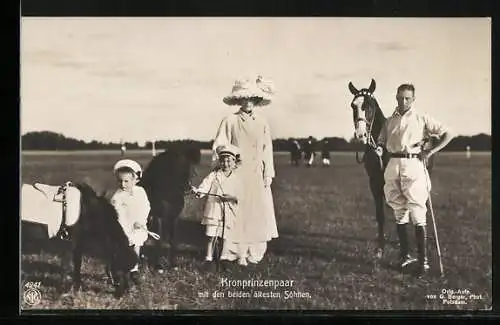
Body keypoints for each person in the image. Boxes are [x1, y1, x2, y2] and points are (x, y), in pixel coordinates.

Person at [376, 83, 453, 276]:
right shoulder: (389, 121)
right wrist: (378, 148)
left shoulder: (421, 117)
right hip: (392, 165)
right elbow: (381, 142)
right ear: (396, 97)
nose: (403, 101)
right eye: (400, 98)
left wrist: (430, 151)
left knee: (417, 211)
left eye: (407, 98)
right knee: (398, 209)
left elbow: (448, 133)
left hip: (414, 165)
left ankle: (423, 263)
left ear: (413, 99)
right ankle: (405, 256)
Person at [211, 76, 278, 265]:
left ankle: (253, 252)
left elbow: (267, 149)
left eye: (251, 99)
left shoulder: (262, 122)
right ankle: (234, 251)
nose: (248, 102)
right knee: (237, 211)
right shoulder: (230, 121)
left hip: (256, 172)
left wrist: (268, 173)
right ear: (238, 100)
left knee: (256, 211)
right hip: (237, 173)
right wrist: (227, 158)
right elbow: (219, 144)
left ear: (256, 101)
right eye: (244, 99)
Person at [191, 144, 243, 266]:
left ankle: (224, 257)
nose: (226, 164)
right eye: (223, 161)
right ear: (219, 162)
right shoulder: (213, 175)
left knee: (226, 235)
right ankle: (208, 257)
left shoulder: (237, 178)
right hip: (214, 209)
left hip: (230, 210)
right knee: (211, 235)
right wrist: (198, 192)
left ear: (234, 162)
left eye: (229, 161)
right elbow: (204, 187)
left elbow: (241, 195)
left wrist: (232, 198)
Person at [109, 159, 151, 280]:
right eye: (120, 181)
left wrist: (141, 221)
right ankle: (121, 267)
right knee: (124, 246)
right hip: (123, 225)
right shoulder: (117, 196)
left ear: (135, 180)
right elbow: (116, 213)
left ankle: (134, 269)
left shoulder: (140, 192)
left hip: (137, 224)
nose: (123, 184)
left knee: (136, 244)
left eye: (126, 181)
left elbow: (146, 207)